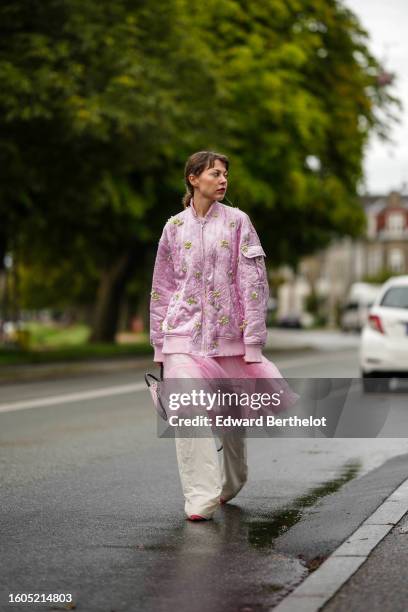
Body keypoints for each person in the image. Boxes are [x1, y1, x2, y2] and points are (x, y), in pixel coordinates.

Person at [149, 150, 297, 521]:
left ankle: (233, 479)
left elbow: (252, 282)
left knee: (230, 415)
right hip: (182, 335)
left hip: (229, 335)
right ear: (193, 178)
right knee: (188, 410)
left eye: (225, 174)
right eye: (215, 173)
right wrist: (159, 343)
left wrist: (253, 340)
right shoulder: (173, 228)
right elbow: (162, 288)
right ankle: (200, 495)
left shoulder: (238, 223)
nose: (223, 180)